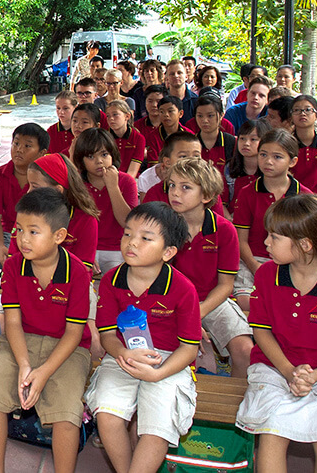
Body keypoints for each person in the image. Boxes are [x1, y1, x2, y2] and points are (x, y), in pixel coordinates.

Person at [238, 194, 317, 472]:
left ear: (305, 245)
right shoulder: (266, 275)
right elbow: (261, 329)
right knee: (272, 431)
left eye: (274, 237)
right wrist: (287, 370)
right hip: (274, 367)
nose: (266, 243)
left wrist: (314, 376)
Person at [0, 188, 93, 473]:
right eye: (19, 230)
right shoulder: (14, 266)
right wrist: (25, 365)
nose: (23, 239)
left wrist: (42, 373)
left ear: (59, 236)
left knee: (66, 413)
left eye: (33, 231)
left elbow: (74, 333)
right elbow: (13, 322)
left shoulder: (77, 272)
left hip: (67, 350)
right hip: (20, 344)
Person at [89, 202, 202, 473]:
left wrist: (159, 373)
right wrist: (122, 353)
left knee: (157, 428)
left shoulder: (183, 288)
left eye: (145, 238)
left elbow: (188, 349)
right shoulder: (111, 280)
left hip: (170, 362)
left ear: (168, 252)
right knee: (107, 414)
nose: (132, 243)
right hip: (123, 356)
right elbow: (106, 335)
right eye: (128, 234)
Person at [165, 158, 252, 377]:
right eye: (172, 185)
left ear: (206, 196)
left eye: (186, 187)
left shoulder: (224, 230)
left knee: (244, 350)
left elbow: (225, 286)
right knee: (179, 349)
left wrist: (196, 313)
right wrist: (187, 315)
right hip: (170, 301)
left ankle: (235, 404)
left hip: (213, 301)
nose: (175, 193)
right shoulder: (162, 226)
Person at [233, 130, 311, 310]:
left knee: (291, 301)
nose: (268, 161)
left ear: (292, 162)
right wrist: (255, 266)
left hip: (293, 261)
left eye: (277, 157)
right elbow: (241, 240)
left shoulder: (304, 196)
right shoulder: (247, 193)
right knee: (247, 301)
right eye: (263, 154)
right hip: (253, 259)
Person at [8, 153, 101, 272]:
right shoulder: (26, 217)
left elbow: (83, 268)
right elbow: (13, 262)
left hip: (68, 285)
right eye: (29, 185)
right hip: (27, 281)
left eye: (35, 187)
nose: (28, 192)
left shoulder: (86, 220)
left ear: (58, 190)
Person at [0, 123, 49, 273]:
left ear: (42, 152)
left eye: (27, 146)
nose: (19, 149)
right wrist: (0, 247)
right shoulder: (0, 175)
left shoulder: (47, 178)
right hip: (5, 235)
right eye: (16, 143)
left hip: (38, 235)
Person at [73, 128, 139, 275]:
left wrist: (112, 187)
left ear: (112, 154)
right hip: (85, 247)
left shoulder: (126, 181)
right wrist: (86, 254)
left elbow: (128, 222)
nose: (99, 161)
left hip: (118, 248)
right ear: (81, 160)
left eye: (104, 154)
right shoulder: (76, 184)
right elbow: (74, 224)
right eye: (90, 156)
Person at [225, 119, 271, 211]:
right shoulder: (228, 167)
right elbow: (221, 201)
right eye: (242, 138)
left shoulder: (270, 169)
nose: (246, 143)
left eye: (253, 139)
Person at [104, 100, 149, 178]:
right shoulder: (104, 137)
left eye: (115, 114)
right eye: (108, 115)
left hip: (129, 178)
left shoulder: (138, 138)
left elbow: (133, 170)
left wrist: (124, 184)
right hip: (108, 177)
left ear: (127, 116)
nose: (111, 118)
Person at [191, 95, 233, 175]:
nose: (205, 120)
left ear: (221, 115)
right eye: (200, 116)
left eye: (210, 116)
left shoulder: (231, 143)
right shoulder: (191, 143)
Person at [47, 91, 78, 155]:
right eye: (58, 108)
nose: (61, 112)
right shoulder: (51, 131)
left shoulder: (80, 130)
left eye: (65, 108)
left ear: (75, 108)